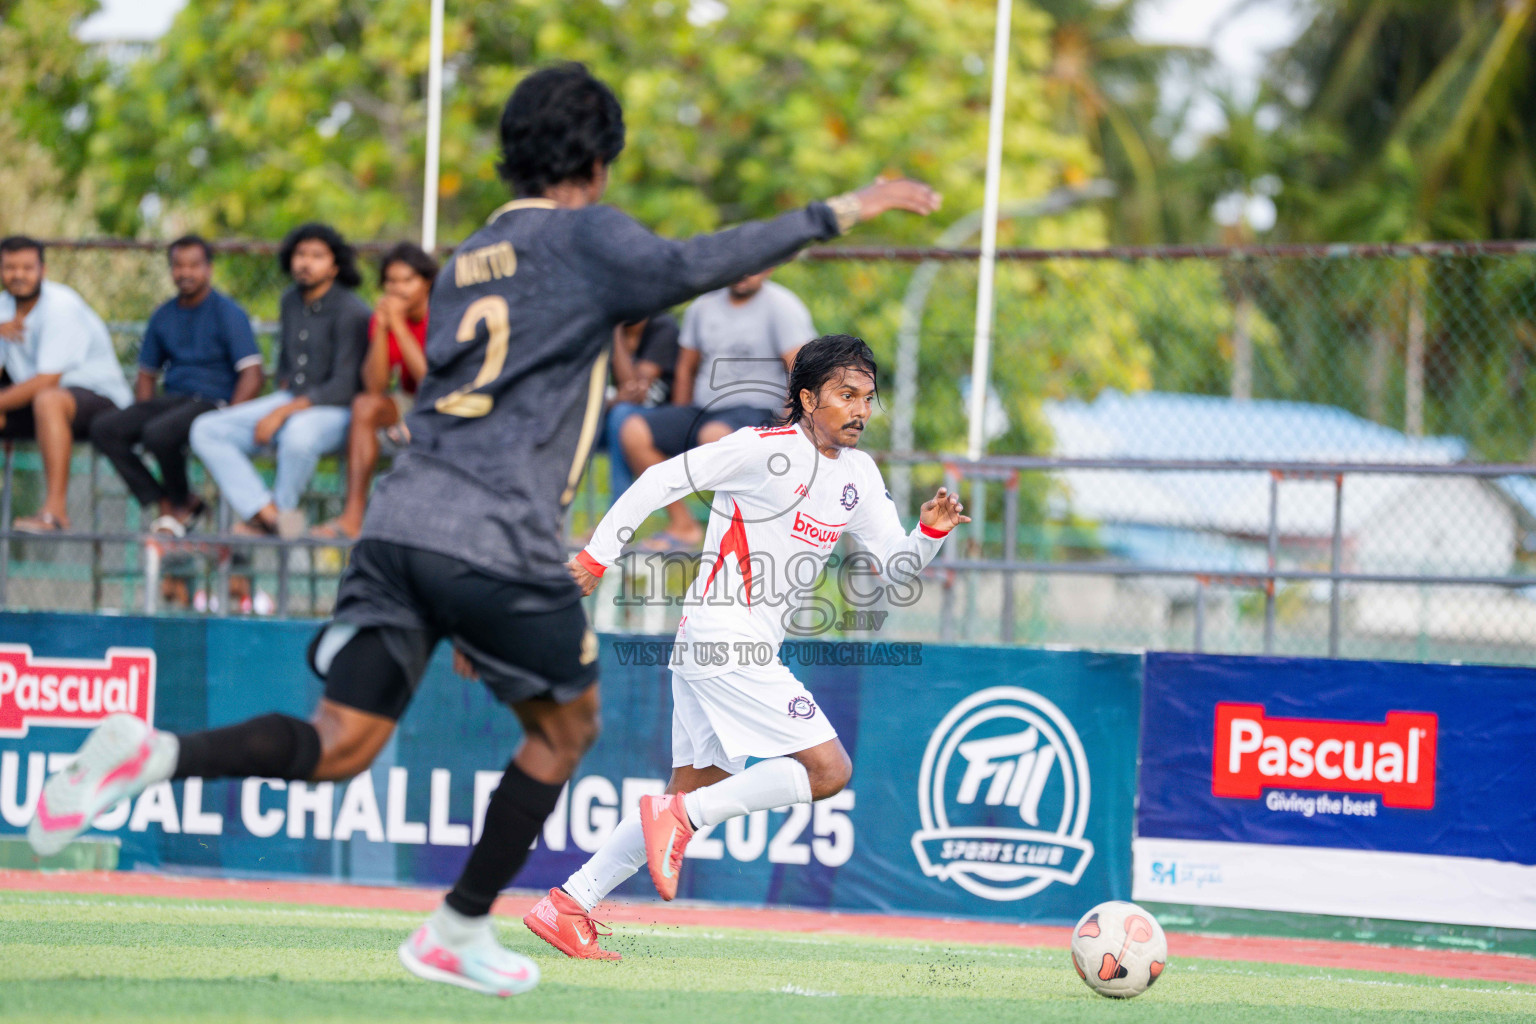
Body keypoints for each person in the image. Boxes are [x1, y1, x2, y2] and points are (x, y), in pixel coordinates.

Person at [28, 62, 939, 998]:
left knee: (339, 743)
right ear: (597, 160)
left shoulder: (470, 256)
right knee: (569, 725)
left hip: (400, 524)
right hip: (495, 532)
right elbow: (687, 267)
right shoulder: (584, 236)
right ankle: (460, 925)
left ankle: (159, 753)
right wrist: (840, 209)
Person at [522, 334, 966, 961]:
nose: (860, 409)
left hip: (724, 647)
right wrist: (597, 556)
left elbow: (896, 569)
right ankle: (681, 822)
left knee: (686, 793)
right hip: (723, 638)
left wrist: (928, 533)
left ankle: (568, 904)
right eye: (846, 395)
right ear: (807, 398)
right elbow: (660, 478)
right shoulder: (761, 449)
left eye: (868, 398)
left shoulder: (860, 475)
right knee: (829, 771)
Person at [188, 223, 368, 538]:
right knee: (206, 429)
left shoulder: (352, 310)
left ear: (335, 265)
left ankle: (282, 511)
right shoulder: (290, 300)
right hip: (293, 400)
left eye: (317, 256)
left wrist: (283, 413)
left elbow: (345, 385)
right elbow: (287, 370)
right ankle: (270, 516)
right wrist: (281, 406)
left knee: (298, 434)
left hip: (339, 411)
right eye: (300, 254)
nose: (306, 263)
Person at [618, 268, 813, 549]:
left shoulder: (783, 306)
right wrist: (680, 421)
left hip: (758, 412)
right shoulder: (703, 305)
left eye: (755, 264)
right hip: (705, 409)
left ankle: (743, 537)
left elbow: (801, 370)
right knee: (634, 430)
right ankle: (683, 525)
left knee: (714, 436)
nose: (744, 272)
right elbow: (686, 368)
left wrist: (787, 429)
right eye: (738, 262)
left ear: (769, 267)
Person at [90, 235, 263, 536]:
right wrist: (142, 412)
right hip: (173, 400)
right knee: (104, 428)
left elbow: (253, 374)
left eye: (193, 265)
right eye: (178, 266)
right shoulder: (163, 315)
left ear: (208, 269)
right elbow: (147, 374)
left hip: (214, 402)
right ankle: (168, 501)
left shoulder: (228, 312)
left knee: (158, 433)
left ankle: (181, 504)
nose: (185, 273)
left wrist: (230, 420)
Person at [0, 235, 134, 532]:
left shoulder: (61, 305)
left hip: (100, 400)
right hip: (37, 403)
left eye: (27, 267)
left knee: (49, 399)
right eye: (10, 267)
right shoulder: (3, 307)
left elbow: (47, 381)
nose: (18, 275)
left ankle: (55, 512)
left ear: (43, 270)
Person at [313, 242, 437, 539]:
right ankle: (352, 518)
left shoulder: (442, 314)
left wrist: (400, 327)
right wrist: (382, 329)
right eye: (391, 281)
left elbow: (430, 380)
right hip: (411, 400)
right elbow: (375, 386)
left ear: (427, 282)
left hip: (446, 400)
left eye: (407, 280)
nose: (398, 289)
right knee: (364, 405)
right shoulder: (385, 316)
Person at [600, 312, 680, 499]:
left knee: (622, 416)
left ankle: (619, 514)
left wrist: (615, 331)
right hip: (612, 415)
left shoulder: (662, 325)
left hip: (657, 417)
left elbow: (633, 390)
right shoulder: (599, 325)